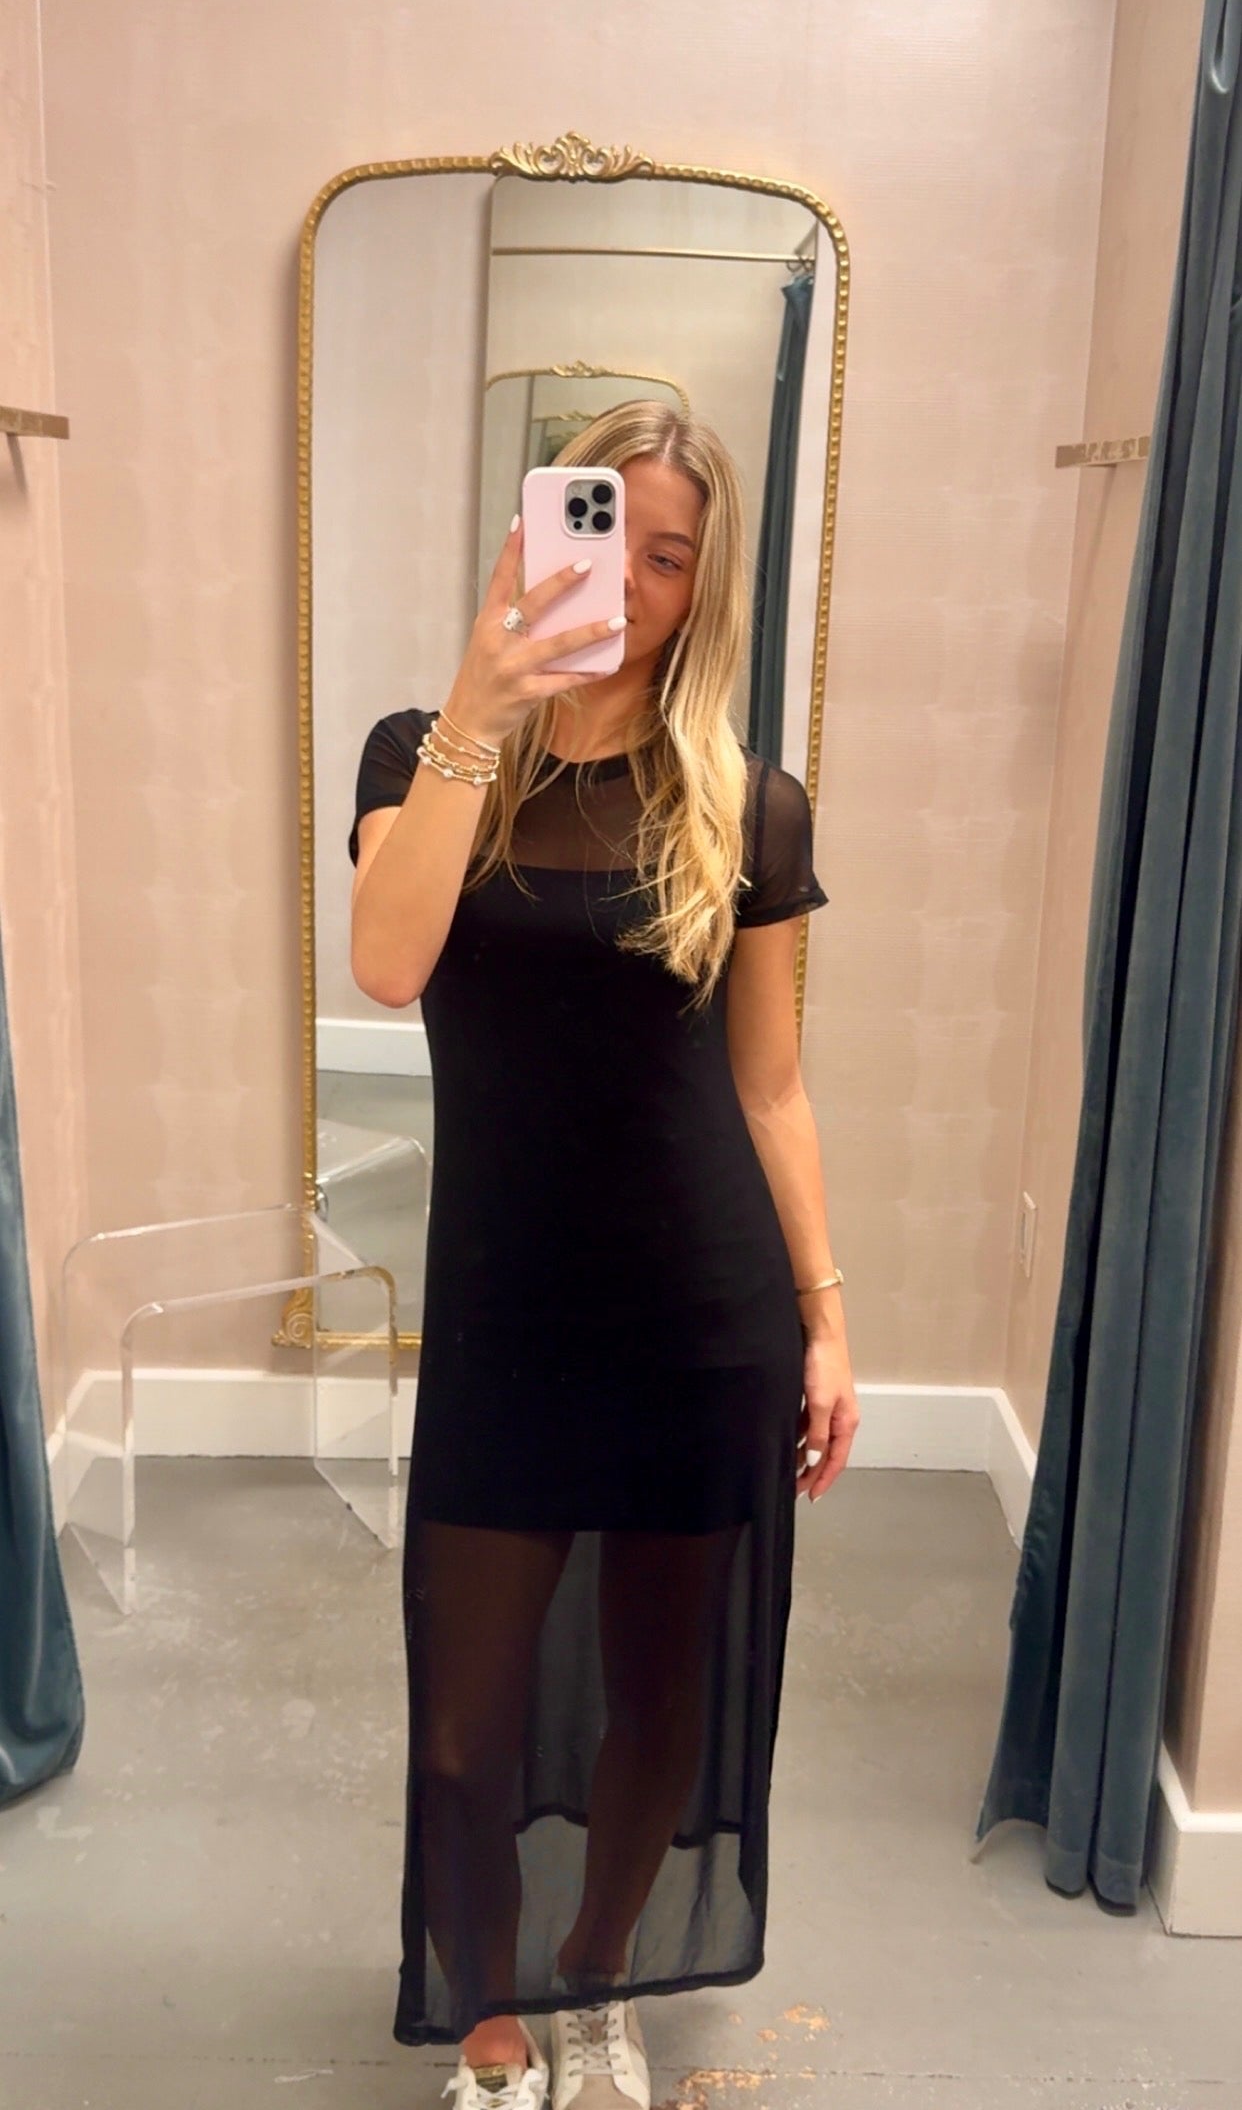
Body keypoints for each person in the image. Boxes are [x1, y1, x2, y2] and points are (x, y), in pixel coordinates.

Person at [348, 401, 858, 2110]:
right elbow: (386, 963)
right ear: (531, 533)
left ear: (704, 590)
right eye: (600, 534)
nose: (627, 582)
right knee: (460, 1722)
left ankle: (594, 1980)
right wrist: (479, 706)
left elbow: (768, 1088)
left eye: (669, 556)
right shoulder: (419, 754)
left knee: (658, 1700)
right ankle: (483, 2015)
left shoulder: (747, 808)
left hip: (698, 1318)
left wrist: (826, 1320)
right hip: (506, 1316)